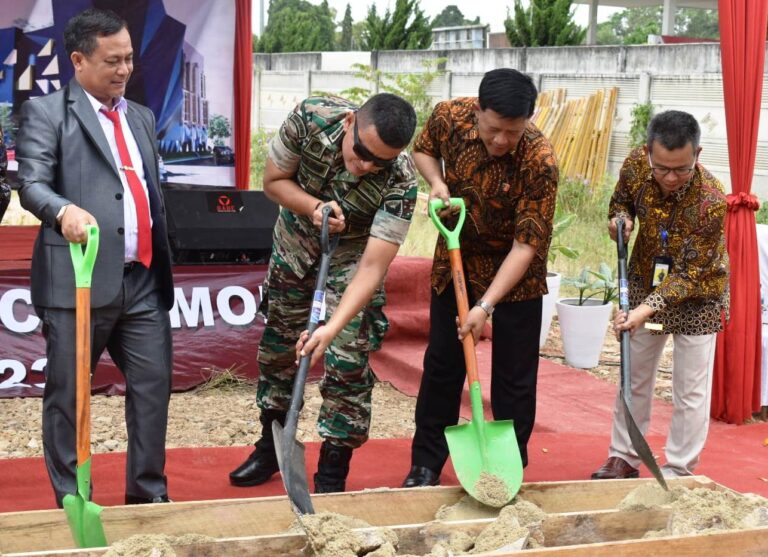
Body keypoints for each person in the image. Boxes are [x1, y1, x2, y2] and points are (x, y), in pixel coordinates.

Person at [16, 8, 174, 505]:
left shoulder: (142, 116)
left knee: (153, 390)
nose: (124, 70)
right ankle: (73, 499)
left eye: (129, 59)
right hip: (77, 282)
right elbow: (31, 184)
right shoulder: (47, 113)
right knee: (67, 397)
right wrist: (61, 211)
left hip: (143, 280)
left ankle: (148, 497)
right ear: (79, 60)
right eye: (112, 61)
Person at [229, 93, 418, 493]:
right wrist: (313, 207)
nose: (365, 166)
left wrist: (330, 329)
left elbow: (373, 266)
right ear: (350, 122)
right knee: (279, 350)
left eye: (378, 161)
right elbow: (272, 182)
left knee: (348, 360)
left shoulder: (402, 180)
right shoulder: (310, 118)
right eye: (362, 151)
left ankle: (332, 471)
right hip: (296, 245)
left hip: (351, 261)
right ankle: (270, 447)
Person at [401, 68, 558, 488]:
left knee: (515, 375)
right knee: (442, 364)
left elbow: (526, 246)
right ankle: (425, 463)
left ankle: (509, 467)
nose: (502, 140)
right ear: (478, 110)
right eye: (494, 129)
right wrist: (436, 182)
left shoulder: (539, 159)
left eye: (513, 131)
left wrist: (484, 306)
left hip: (516, 275)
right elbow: (423, 150)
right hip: (457, 259)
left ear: (528, 119)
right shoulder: (449, 116)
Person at [592, 110, 728, 480]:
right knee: (633, 373)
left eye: (681, 169)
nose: (670, 178)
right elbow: (620, 201)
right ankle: (623, 456)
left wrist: (643, 311)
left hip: (698, 299)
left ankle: (679, 467)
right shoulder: (636, 164)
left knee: (690, 388)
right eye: (662, 168)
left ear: (697, 154)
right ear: (649, 153)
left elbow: (690, 274)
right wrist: (620, 219)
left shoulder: (712, 200)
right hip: (645, 284)